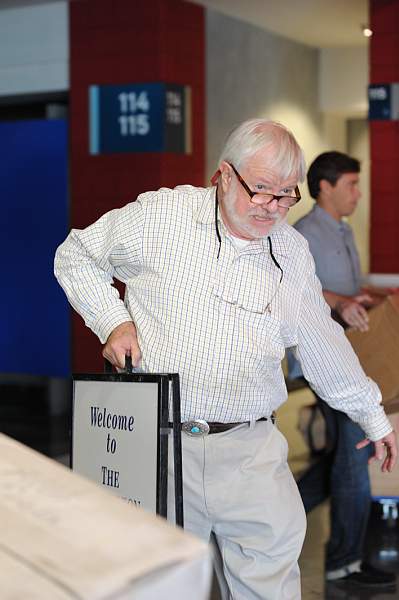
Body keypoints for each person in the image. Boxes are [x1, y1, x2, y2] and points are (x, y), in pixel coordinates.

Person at [54, 120, 397, 600]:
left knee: (272, 586)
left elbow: (322, 343)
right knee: (159, 586)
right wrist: (113, 321)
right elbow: (76, 254)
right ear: (223, 175)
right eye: (260, 190)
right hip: (162, 446)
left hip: (251, 450)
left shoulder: (291, 251)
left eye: (285, 196)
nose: (271, 209)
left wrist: (372, 416)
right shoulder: (163, 216)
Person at [289, 151, 397, 590]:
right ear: (326, 187)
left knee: (339, 459)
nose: (358, 193)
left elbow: (344, 291)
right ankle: (342, 564)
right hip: (322, 363)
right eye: (352, 185)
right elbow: (303, 290)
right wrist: (341, 301)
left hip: (350, 356)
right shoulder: (303, 234)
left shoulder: (342, 230)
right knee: (353, 459)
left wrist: (366, 295)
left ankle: (280, 513)